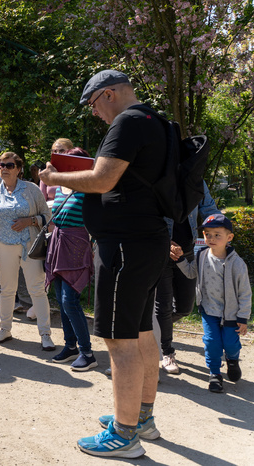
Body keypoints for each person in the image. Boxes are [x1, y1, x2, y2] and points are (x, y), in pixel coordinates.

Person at [39, 69, 170, 459]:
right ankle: (141, 417)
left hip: (125, 246)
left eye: (94, 104)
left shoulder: (126, 122)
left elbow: (103, 179)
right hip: (150, 240)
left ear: (109, 94)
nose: (94, 113)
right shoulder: (157, 121)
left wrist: (57, 175)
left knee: (118, 341)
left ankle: (125, 434)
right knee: (142, 332)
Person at [0, 151, 54, 350]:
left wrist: (29, 221)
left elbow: (48, 218)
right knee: (7, 290)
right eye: (1, 165)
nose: (4, 168)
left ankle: (45, 333)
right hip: (3, 246)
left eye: (9, 165)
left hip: (29, 246)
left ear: (19, 169)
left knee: (37, 289)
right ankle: (5, 329)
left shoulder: (31, 190)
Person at [173, 213, 251, 393]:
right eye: (208, 234)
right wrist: (180, 259)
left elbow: (245, 293)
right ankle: (215, 373)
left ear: (229, 238)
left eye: (217, 235)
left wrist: (243, 316)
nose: (211, 238)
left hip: (231, 313)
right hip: (209, 310)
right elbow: (192, 273)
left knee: (230, 343)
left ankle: (232, 359)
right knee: (211, 342)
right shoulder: (201, 256)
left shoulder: (237, 264)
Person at [154, 181, 220, 375]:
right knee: (163, 305)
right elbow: (147, 214)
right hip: (161, 249)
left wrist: (220, 232)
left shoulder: (196, 179)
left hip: (187, 250)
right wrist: (165, 242)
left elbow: (209, 209)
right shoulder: (157, 173)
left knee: (184, 307)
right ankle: (167, 352)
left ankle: (152, 330)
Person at [45, 147, 97, 371]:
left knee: (69, 300)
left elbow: (96, 219)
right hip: (58, 243)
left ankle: (87, 352)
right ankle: (71, 346)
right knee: (59, 297)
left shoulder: (90, 190)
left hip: (77, 246)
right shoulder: (58, 188)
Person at [40, 138, 74, 203]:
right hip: (51, 211)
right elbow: (41, 203)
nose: (58, 154)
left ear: (70, 152)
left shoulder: (76, 172)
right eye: (55, 151)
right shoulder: (47, 173)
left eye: (61, 151)